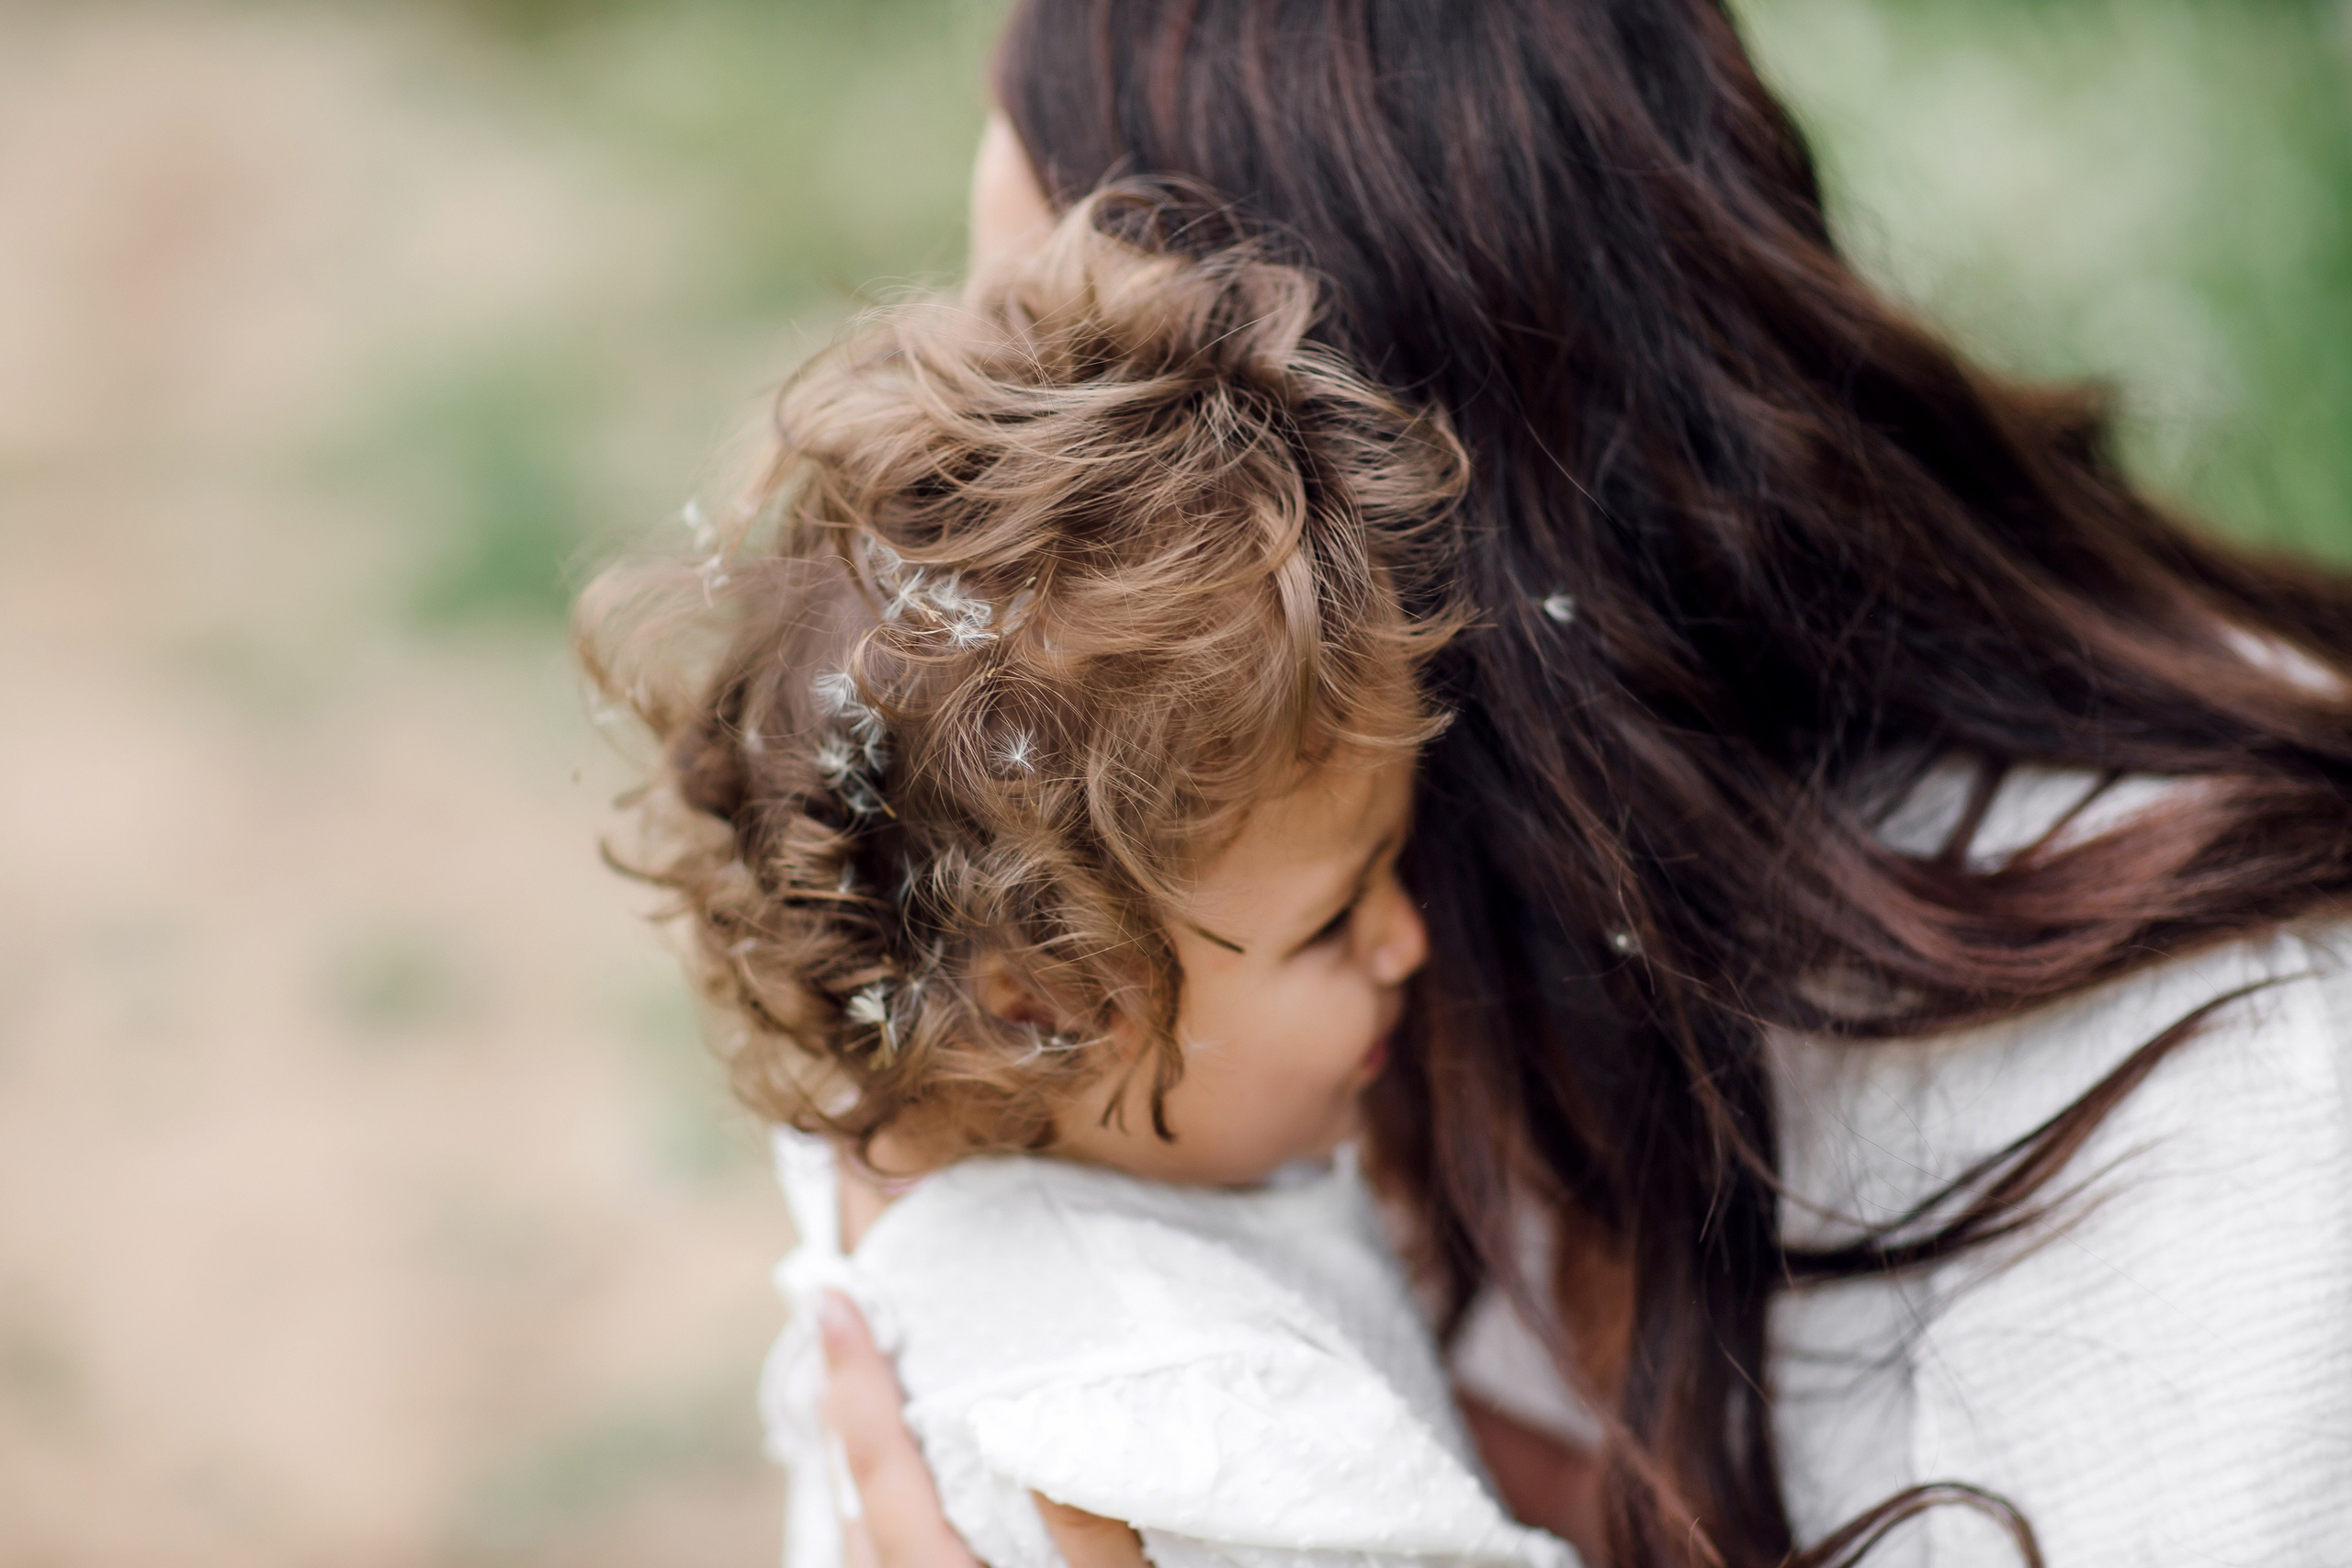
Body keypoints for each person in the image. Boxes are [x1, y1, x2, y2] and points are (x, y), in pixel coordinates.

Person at [810, 4, 2352, 1567]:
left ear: (1382, 489)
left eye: (1068, 404)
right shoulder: (1227, 977)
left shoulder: (2224, 1084)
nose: (985, 566)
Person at [582, 197, 1587, 1568]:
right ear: (1039, 997)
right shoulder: (1185, 1422)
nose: (1407, 944)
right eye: (1336, 918)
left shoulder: (910, 1115)